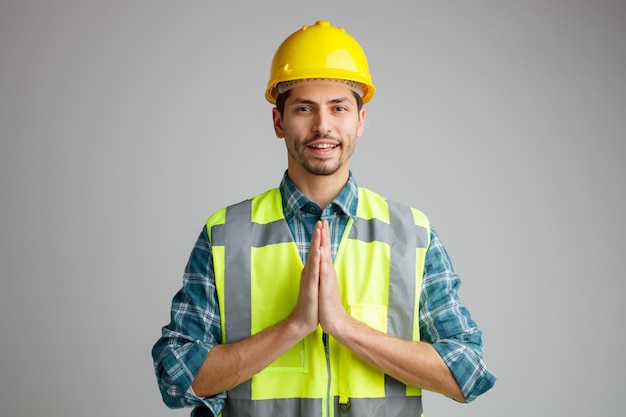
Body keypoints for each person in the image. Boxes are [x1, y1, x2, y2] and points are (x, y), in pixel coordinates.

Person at [152, 20, 496, 417]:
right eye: (304, 108)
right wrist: (294, 326)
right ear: (278, 122)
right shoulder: (226, 234)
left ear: (360, 120)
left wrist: (345, 327)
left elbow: (467, 374)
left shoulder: (412, 234)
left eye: (339, 107)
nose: (323, 126)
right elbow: (175, 379)